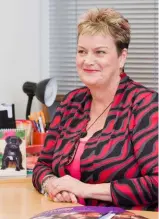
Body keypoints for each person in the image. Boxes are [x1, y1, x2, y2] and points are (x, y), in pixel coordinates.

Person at [32, 8, 158, 210]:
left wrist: (85, 190)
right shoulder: (72, 102)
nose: (87, 60)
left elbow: (156, 182)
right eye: (82, 51)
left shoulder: (145, 104)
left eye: (100, 52)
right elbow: (42, 166)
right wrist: (52, 185)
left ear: (122, 57)